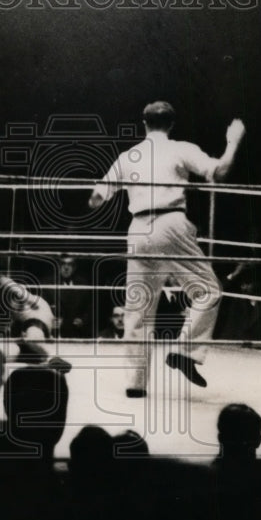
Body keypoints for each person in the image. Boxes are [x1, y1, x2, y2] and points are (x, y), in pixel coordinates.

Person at [89, 100, 245, 396]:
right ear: (171, 124)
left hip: (138, 227)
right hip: (170, 222)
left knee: (138, 309)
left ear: (143, 123)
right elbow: (220, 172)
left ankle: (135, 385)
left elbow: (96, 197)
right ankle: (185, 351)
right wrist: (233, 141)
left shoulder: (129, 155)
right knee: (208, 291)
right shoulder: (180, 148)